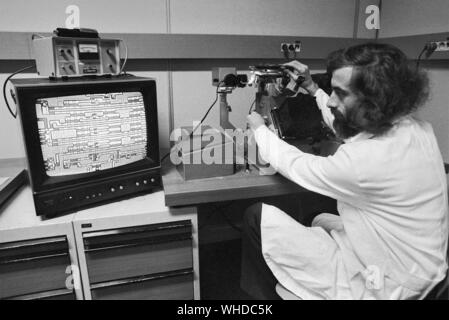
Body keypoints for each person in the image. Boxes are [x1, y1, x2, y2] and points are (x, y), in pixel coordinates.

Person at [242, 42, 448, 300]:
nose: (331, 101)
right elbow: (354, 126)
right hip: (421, 271)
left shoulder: (363, 162)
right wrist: (313, 88)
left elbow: (297, 166)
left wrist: (259, 128)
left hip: (385, 286)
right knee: (317, 216)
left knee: (256, 216)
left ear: (374, 101)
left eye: (340, 93)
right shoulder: (415, 129)